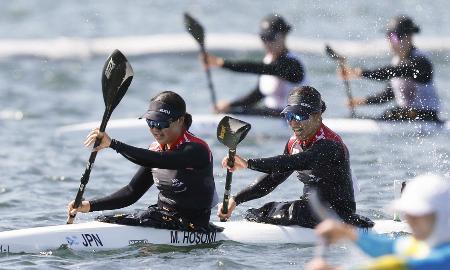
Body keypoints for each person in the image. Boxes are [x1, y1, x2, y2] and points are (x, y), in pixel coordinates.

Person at [217, 86, 372, 228]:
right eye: (289, 116)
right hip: (310, 209)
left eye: (299, 116)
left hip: (338, 213)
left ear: (317, 116)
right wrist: (236, 199)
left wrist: (249, 163)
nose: (292, 123)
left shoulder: (330, 145)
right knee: (264, 210)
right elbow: (273, 179)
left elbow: (294, 162)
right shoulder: (293, 143)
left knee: (296, 210)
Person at [68, 91, 218, 230]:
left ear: (180, 120)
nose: (155, 130)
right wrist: (89, 206)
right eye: (150, 123)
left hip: (194, 226)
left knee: (143, 217)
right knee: (105, 218)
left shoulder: (196, 150)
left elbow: (160, 160)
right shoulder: (155, 150)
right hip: (163, 217)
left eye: (161, 124)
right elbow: (131, 192)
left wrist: (113, 144)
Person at [307, 173, 450, 270]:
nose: (411, 221)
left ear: (441, 215)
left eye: (418, 215)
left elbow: (401, 267)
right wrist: (347, 233)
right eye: (409, 215)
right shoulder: (421, 246)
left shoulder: (445, 257)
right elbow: (387, 247)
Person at [202, 14, 308, 117]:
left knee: (231, 117)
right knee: (228, 113)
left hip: (295, 119)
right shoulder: (268, 60)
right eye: (263, 37)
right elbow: (256, 96)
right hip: (271, 115)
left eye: (271, 37)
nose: (267, 43)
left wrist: (222, 63)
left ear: (284, 35)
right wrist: (230, 105)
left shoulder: (292, 64)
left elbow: (257, 68)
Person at [340, 15, 441, 122]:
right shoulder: (396, 61)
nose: (390, 42)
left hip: (427, 116)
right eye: (388, 37)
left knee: (388, 115)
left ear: (409, 37)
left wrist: (360, 73)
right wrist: (361, 101)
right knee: (374, 117)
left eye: (394, 37)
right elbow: (388, 95)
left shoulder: (421, 62)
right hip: (407, 115)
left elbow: (392, 72)